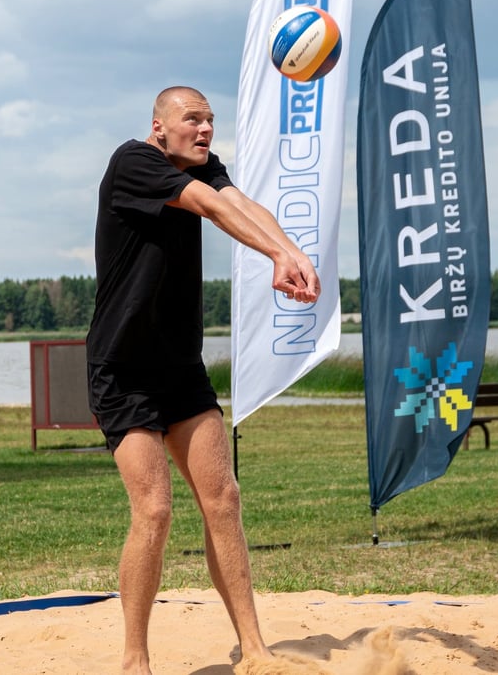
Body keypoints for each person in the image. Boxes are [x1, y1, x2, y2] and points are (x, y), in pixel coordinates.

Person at [86, 86, 320, 674]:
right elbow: (213, 210)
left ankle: (256, 648)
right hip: (123, 370)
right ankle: (135, 659)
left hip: (180, 367)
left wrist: (290, 249)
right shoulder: (134, 162)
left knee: (224, 499)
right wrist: (274, 257)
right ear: (159, 127)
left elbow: (241, 204)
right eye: (192, 118)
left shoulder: (204, 165)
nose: (205, 128)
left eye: (211, 119)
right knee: (155, 510)